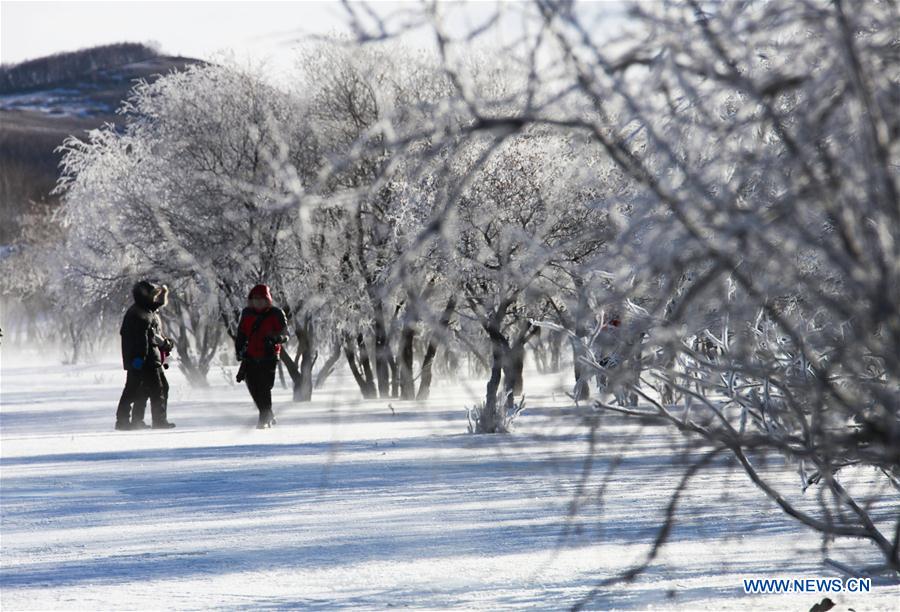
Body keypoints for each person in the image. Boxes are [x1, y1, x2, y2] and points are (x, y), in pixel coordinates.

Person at [115, 281, 176, 430]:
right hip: (145, 360)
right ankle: (157, 421)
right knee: (154, 390)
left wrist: (162, 294)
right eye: (153, 295)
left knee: (137, 390)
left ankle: (129, 421)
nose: (156, 299)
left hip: (145, 359)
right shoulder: (141, 314)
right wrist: (139, 360)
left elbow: (152, 333)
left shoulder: (144, 311)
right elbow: (141, 340)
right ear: (146, 297)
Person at [235, 284, 288, 429]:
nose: (258, 302)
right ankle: (266, 415)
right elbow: (241, 334)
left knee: (265, 386)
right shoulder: (246, 313)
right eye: (255, 299)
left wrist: (276, 339)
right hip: (250, 356)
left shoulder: (276, 313)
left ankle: (264, 416)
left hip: (269, 355)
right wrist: (239, 350)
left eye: (261, 299)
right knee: (253, 386)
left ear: (267, 299)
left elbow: (285, 334)